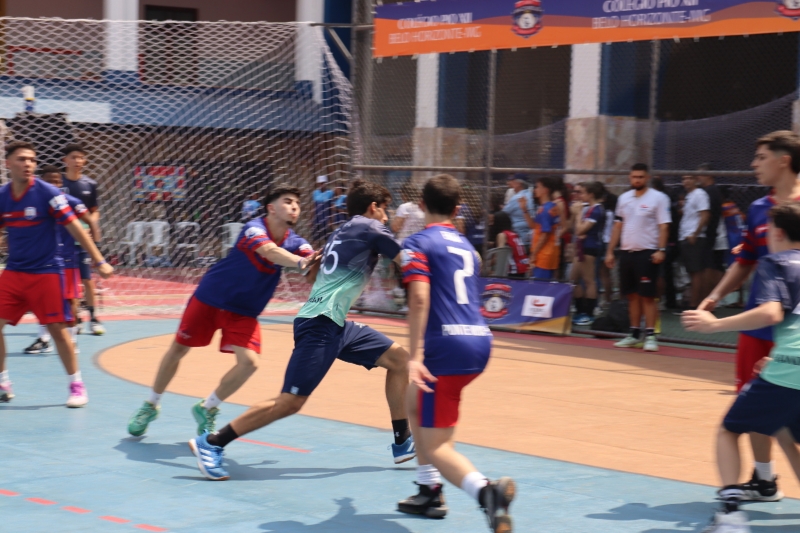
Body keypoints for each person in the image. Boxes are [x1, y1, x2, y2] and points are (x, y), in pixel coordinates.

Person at [187, 180, 414, 481]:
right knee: (290, 402)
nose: (387, 217)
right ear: (374, 207)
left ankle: (402, 440)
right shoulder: (372, 227)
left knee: (399, 360)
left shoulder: (339, 234)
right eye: (385, 210)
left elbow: (312, 276)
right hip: (321, 324)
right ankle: (213, 443)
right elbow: (409, 262)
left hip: (334, 322)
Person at [127, 185, 318, 437]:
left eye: (297, 203)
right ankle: (151, 404)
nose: (294, 207)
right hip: (211, 297)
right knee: (178, 350)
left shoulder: (297, 243)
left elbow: (312, 264)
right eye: (288, 201)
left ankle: (207, 407)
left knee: (249, 363)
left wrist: (320, 265)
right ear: (271, 208)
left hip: (244, 310)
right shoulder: (253, 228)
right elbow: (270, 252)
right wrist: (301, 262)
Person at [396, 174, 515, 532]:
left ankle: (486, 492)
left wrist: (416, 356)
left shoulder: (417, 243)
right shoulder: (467, 247)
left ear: (421, 205)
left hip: (445, 348)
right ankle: (428, 489)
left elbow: (419, 299)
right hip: (479, 341)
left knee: (438, 446)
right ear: (458, 208)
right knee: (413, 401)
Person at [682, 202, 800, 533]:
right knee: (785, 432)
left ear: (778, 233)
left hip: (791, 368)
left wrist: (715, 324)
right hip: (788, 363)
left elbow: (771, 313)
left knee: (729, 430)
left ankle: (731, 516)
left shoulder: (776, 262)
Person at [699, 130, 800, 503]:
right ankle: (764, 479)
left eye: (761, 157)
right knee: (754, 401)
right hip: (759, 325)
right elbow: (745, 261)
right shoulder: (759, 209)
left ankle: (738, 503)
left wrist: (716, 325)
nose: (754, 164)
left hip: (791, 328)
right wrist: (714, 295)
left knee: (775, 414)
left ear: (783, 160)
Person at [0, 141, 113, 407]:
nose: (28, 164)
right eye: (22, 159)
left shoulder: (47, 193)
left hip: (47, 272)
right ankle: (3, 382)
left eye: (32, 159)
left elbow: (76, 226)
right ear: (8, 164)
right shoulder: (3, 196)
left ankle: (76, 385)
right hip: (14, 272)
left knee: (58, 330)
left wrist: (99, 260)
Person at [24, 166, 100, 356]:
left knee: (70, 301)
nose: (54, 184)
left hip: (67, 261)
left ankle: (72, 341)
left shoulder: (70, 202)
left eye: (57, 181)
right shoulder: (34, 203)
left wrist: (95, 242)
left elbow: (90, 219)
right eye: (50, 180)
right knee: (42, 301)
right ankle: (43, 339)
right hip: (42, 261)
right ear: (41, 182)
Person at [605, 163, 671, 352]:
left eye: (641, 177)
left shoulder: (659, 198)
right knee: (632, 296)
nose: (637, 180)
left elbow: (664, 226)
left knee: (648, 296)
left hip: (647, 253)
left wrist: (661, 249)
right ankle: (634, 334)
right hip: (627, 253)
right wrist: (610, 251)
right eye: (634, 177)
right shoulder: (624, 198)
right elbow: (618, 226)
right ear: (630, 177)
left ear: (647, 178)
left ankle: (650, 336)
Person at [60, 144, 104, 335]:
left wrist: (90, 226)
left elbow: (95, 211)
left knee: (87, 279)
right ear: (65, 160)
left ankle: (93, 318)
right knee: (68, 282)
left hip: (82, 241)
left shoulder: (90, 184)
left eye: (80, 157)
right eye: (73, 157)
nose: (77, 161)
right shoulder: (57, 183)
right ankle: (75, 317)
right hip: (63, 241)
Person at [571, 181, 606, 325]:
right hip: (582, 247)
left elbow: (580, 230)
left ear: (591, 194)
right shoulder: (590, 209)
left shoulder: (596, 210)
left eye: (583, 193)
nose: (580, 196)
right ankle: (580, 311)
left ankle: (589, 313)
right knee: (573, 279)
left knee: (589, 280)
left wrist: (578, 214)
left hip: (589, 248)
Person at [679, 174, 711, 308]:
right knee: (692, 272)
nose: (686, 181)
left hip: (694, 238)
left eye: (689, 178)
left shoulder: (700, 194)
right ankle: (695, 302)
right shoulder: (689, 196)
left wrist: (695, 234)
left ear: (696, 180)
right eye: (684, 178)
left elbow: (705, 215)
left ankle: (695, 305)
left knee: (697, 272)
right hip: (685, 236)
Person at [522, 177, 560, 280]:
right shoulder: (550, 207)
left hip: (543, 255)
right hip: (549, 254)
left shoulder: (546, 210)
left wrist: (534, 254)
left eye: (538, 187)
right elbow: (534, 227)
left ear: (545, 190)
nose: (535, 190)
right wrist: (524, 209)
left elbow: (545, 234)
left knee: (541, 286)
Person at [698, 163, 726, 301]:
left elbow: (708, 216)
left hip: (711, 234)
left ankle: (709, 298)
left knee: (709, 267)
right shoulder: (710, 191)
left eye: (700, 174)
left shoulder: (710, 192)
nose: (698, 177)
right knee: (713, 266)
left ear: (708, 175)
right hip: (713, 234)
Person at [502, 174, 536, 247]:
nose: (511, 184)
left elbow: (503, 213)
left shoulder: (517, 197)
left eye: (513, 181)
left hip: (520, 235)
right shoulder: (531, 195)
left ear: (519, 184)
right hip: (532, 234)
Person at [492, 211, 528, 277]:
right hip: (523, 266)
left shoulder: (502, 235)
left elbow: (500, 256)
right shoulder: (515, 234)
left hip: (513, 269)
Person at [311, 175, 334, 246]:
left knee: (327, 239)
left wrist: (331, 220)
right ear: (318, 184)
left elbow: (331, 207)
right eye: (320, 183)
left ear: (326, 183)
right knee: (315, 239)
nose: (322, 185)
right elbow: (313, 207)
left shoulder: (330, 193)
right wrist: (311, 220)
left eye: (323, 183)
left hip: (326, 219)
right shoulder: (315, 193)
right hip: (317, 219)